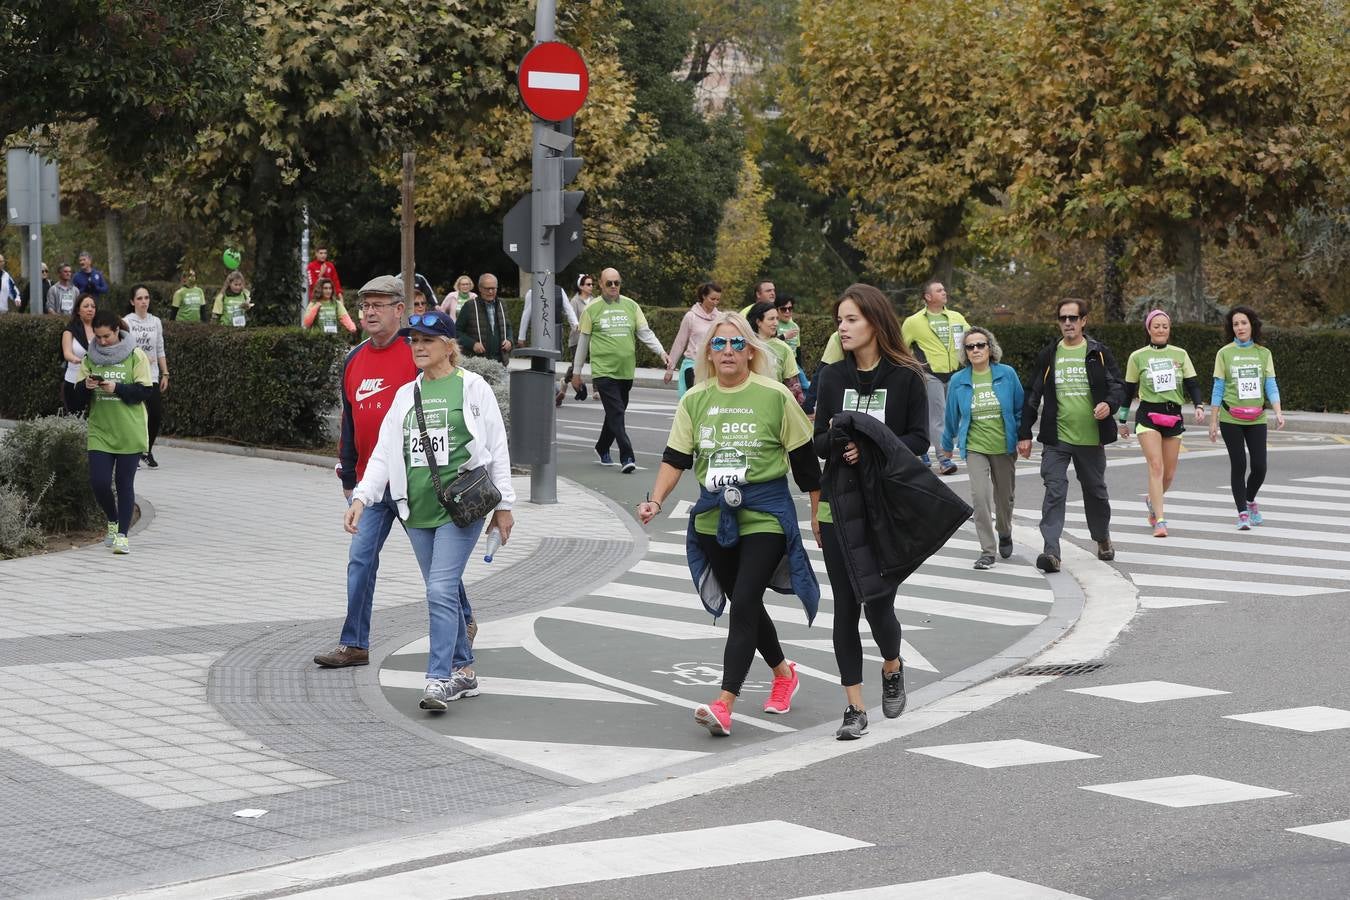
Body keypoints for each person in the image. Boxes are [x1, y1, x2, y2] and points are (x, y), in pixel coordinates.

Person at [636, 312, 820, 737]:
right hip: (714, 516)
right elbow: (676, 459)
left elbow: (805, 461)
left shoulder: (774, 395)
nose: (728, 352)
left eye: (737, 344)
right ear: (708, 353)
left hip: (766, 513)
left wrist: (817, 512)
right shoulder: (695, 399)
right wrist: (656, 502)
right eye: (719, 345)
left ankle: (724, 703)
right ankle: (782, 672)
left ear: (751, 351)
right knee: (745, 602)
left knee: (745, 598)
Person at [346, 308, 515, 711]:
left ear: (448, 346)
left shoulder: (472, 388)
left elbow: (497, 449)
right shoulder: (407, 394)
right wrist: (361, 497)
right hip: (416, 508)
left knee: (439, 588)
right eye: (414, 342)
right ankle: (465, 670)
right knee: (446, 590)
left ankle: (438, 678)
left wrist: (505, 506)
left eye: (427, 341)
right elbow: (385, 455)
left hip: (461, 507)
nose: (418, 347)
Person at [315, 276, 482, 671]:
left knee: (436, 565)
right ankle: (354, 643)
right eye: (365, 305)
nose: (370, 312)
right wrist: (350, 480)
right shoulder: (354, 359)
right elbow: (350, 423)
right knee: (360, 560)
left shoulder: (417, 354)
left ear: (399, 310)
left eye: (379, 304)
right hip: (373, 486)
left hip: (417, 484)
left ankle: (464, 619)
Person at [812, 284, 928, 739]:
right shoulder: (832, 377)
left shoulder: (907, 376)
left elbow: (920, 440)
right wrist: (843, 440)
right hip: (838, 504)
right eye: (840, 320)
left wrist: (873, 445)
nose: (842, 327)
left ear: (875, 323)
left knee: (878, 604)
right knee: (844, 606)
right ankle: (854, 708)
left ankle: (893, 665)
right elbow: (818, 441)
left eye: (851, 320)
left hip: (884, 506)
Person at [1018, 298, 1125, 573]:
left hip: (1091, 438)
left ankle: (1101, 537)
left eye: (1073, 318)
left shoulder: (1098, 353)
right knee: (1054, 490)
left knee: (1095, 491)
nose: (1068, 323)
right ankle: (1051, 552)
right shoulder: (1050, 354)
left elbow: (1118, 386)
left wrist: (1109, 405)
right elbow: (1032, 393)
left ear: (1084, 321)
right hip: (1057, 438)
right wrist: (1025, 433)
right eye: (1063, 318)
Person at [571, 267, 670, 473]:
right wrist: (576, 373)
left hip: (625, 371)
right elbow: (583, 343)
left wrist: (662, 353)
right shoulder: (592, 309)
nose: (614, 286)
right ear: (601, 284)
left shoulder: (631, 306)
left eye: (617, 282)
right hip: (604, 371)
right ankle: (627, 456)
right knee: (616, 412)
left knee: (615, 412)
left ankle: (602, 446)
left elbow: (645, 333)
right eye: (609, 283)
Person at [1119, 310, 1206, 538]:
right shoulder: (1138, 356)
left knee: (1169, 474)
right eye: (1156, 326)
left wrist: (1198, 405)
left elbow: (1192, 383)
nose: (1160, 330)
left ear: (1169, 329)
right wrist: (1122, 419)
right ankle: (1160, 520)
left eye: (1164, 326)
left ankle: (1151, 500)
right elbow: (1128, 391)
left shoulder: (1180, 354)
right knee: (1156, 467)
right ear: (1148, 329)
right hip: (1148, 415)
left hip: (1173, 415)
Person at [942, 326, 1023, 568]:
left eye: (980, 345)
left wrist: (1022, 436)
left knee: (1004, 498)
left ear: (990, 348)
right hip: (975, 446)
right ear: (965, 352)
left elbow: (1019, 408)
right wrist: (946, 445)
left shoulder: (1007, 374)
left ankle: (1005, 530)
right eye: (970, 346)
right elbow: (950, 416)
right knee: (980, 497)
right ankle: (987, 551)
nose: (975, 350)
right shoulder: (958, 381)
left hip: (1004, 445)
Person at [78, 308, 153, 554]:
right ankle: (112, 519)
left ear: (117, 331)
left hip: (129, 430)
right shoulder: (90, 357)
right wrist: (86, 387)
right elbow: (74, 399)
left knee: (124, 484)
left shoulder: (135, 355)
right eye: (97, 337)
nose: (102, 341)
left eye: (106, 337)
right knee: (99, 483)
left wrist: (117, 388)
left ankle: (122, 534)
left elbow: (145, 392)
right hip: (100, 430)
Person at [1208, 305, 1284, 530]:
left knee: (1260, 466)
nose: (1240, 327)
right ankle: (1242, 512)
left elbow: (1270, 384)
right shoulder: (1224, 353)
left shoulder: (1263, 353)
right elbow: (1217, 388)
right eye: (1235, 324)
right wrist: (1213, 421)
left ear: (1252, 325)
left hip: (1257, 417)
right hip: (1231, 417)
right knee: (1239, 464)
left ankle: (1250, 500)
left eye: (1243, 323)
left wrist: (1278, 411)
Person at [901, 280, 972, 476]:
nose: (944, 292)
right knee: (937, 417)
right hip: (930, 375)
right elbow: (901, 348)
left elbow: (972, 338)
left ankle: (923, 451)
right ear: (928, 297)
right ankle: (944, 459)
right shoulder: (913, 322)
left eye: (944, 289)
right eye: (939, 290)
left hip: (956, 374)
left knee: (953, 416)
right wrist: (913, 369)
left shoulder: (956, 317)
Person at [125, 285, 170, 468]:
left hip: (151, 374)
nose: (144, 302)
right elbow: (124, 348)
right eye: (140, 298)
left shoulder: (155, 321)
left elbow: (160, 348)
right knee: (134, 415)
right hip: (133, 374)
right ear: (132, 302)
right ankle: (131, 452)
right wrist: (140, 356)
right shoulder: (127, 321)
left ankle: (146, 450)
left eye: (146, 298)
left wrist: (165, 373)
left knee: (155, 413)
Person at [665, 281, 721, 399]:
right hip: (692, 366)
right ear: (703, 296)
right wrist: (670, 369)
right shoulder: (691, 317)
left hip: (712, 366)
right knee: (694, 400)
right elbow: (680, 343)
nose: (715, 303)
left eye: (718, 300)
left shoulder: (720, 318)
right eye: (712, 299)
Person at [748, 301, 804, 404]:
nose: (776, 323)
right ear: (758, 322)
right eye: (771, 319)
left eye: (777, 319)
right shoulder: (744, 345)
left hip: (773, 405)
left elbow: (794, 388)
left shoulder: (783, 348)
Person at [456, 273, 513, 364]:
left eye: (493, 288)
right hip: (477, 362)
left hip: (500, 361)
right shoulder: (469, 306)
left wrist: (510, 340)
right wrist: (472, 344)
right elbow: (457, 332)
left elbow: (508, 326)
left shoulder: (502, 304)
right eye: (487, 288)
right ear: (480, 288)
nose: (490, 292)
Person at [556, 274, 594, 405]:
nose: (591, 287)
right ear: (581, 286)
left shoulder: (594, 301)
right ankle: (565, 381)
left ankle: (596, 390)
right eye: (588, 284)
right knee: (577, 364)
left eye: (592, 284)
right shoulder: (575, 301)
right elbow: (571, 317)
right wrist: (577, 326)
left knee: (596, 361)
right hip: (577, 339)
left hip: (592, 338)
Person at [61, 293, 97, 414]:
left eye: (93, 306)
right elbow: (67, 353)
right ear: (78, 310)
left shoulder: (100, 329)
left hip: (96, 381)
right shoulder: (70, 329)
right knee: (75, 419)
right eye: (86, 306)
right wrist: (76, 359)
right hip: (74, 381)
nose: (90, 309)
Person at [518, 282, 579, 348]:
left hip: (556, 330)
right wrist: (521, 337)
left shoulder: (559, 290)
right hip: (539, 332)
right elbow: (526, 315)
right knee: (541, 355)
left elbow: (569, 309)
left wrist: (575, 324)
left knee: (557, 354)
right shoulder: (532, 292)